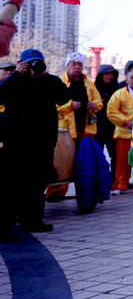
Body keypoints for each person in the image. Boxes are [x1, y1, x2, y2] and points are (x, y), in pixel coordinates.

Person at [0, 49, 69, 240]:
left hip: (42, 144)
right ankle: (5, 229)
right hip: (16, 144)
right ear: (21, 64)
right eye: (29, 63)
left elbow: (64, 97)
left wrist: (46, 76)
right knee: (11, 187)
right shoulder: (15, 81)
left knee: (37, 185)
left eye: (37, 63)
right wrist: (15, 75)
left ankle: (32, 221)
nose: (34, 67)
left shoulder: (51, 81)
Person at [50, 52, 103, 201]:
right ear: (67, 66)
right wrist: (70, 105)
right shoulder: (59, 82)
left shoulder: (88, 83)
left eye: (80, 65)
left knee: (86, 161)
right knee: (62, 161)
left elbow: (99, 101)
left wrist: (95, 105)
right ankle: (56, 192)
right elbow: (53, 105)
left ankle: (85, 191)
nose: (77, 68)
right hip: (65, 131)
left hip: (86, 128)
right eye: (74, 64)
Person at [106, 63, 133, 194]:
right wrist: (126, 121)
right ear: (126, 80)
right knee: (122, 161)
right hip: (124, 132)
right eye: (131, 78)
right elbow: (111, 111)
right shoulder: (119, 94)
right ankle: (120, 184)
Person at [93, 64, 120, 171]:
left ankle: (114, 180)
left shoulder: (117, 88)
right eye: (106, 74)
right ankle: (99, 179)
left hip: (113, 126)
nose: (109, 76)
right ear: (101, 75)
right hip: (98, 126)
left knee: (114, 154)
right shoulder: (93, 88)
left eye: (111, 74)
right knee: (98, 154)